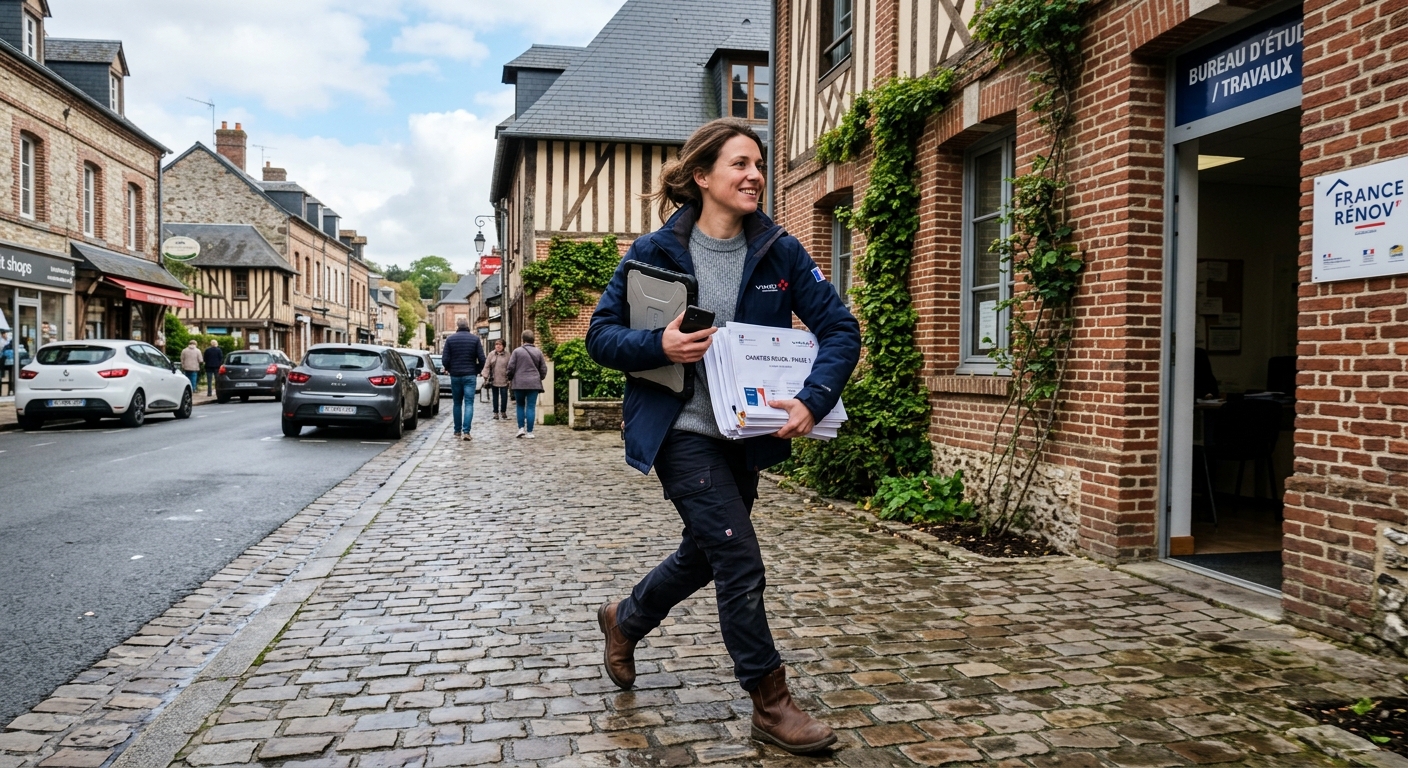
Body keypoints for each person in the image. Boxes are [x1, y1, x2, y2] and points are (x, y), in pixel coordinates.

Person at [585, 118, 860, 755]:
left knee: (706, 554)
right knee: (739, 558)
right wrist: (661, 343)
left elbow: (840, 330)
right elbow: (601, 334)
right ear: (703, 176)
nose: (754, 175)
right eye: (739, 164)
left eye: (759, 164)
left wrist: (815, 399)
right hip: (680, 432)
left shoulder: (780, 250)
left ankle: (624, 619)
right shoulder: (655, 251)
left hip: (747, 433)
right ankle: (771, 701)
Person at [442, 317, 486, 440]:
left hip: (455, 375)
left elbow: (445, 360)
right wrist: (476, 370)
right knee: (469, 403)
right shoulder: (475, 339)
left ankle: (457, 431)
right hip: (470, 375)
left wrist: (450, 368)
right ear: (468, 326)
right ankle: (466, 431)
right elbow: (482, 359)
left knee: (457, 403)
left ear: (457, 326)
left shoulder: (450, 340)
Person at [506, 330, 546, 438]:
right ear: (533, 339)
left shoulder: (517, 352)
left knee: (520, 405)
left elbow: (510, 367)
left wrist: (510, 377)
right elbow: (543, 369)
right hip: (533, 383)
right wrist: (539, 378)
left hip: (519, 383)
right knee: (531, 407)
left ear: (523, 339)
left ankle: (520, 429)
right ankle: (530, 432)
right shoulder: (538, 352)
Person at [484, 338, 511, 419]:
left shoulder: (508, 355)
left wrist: (510, 377)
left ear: (503, 346)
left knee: (504, 396)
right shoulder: (491, 354)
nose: (498, 346)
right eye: (496, 344)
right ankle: (495, 413)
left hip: (504, 379)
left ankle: (503, 411)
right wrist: (485, 376)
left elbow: (510, 366)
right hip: (494, 378)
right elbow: (487, 366)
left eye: (500, 344)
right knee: (495, 397)